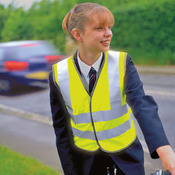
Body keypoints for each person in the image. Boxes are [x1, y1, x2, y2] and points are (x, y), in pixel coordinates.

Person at [49, 2, 175, 175]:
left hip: (126, 159)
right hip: (86, 164)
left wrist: (164, 149)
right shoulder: (58, 74)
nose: (108, 33)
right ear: (78, 34)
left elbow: (142, 105)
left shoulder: (122, 62)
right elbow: (62, 131)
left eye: (109, 27)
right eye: (100, 28)